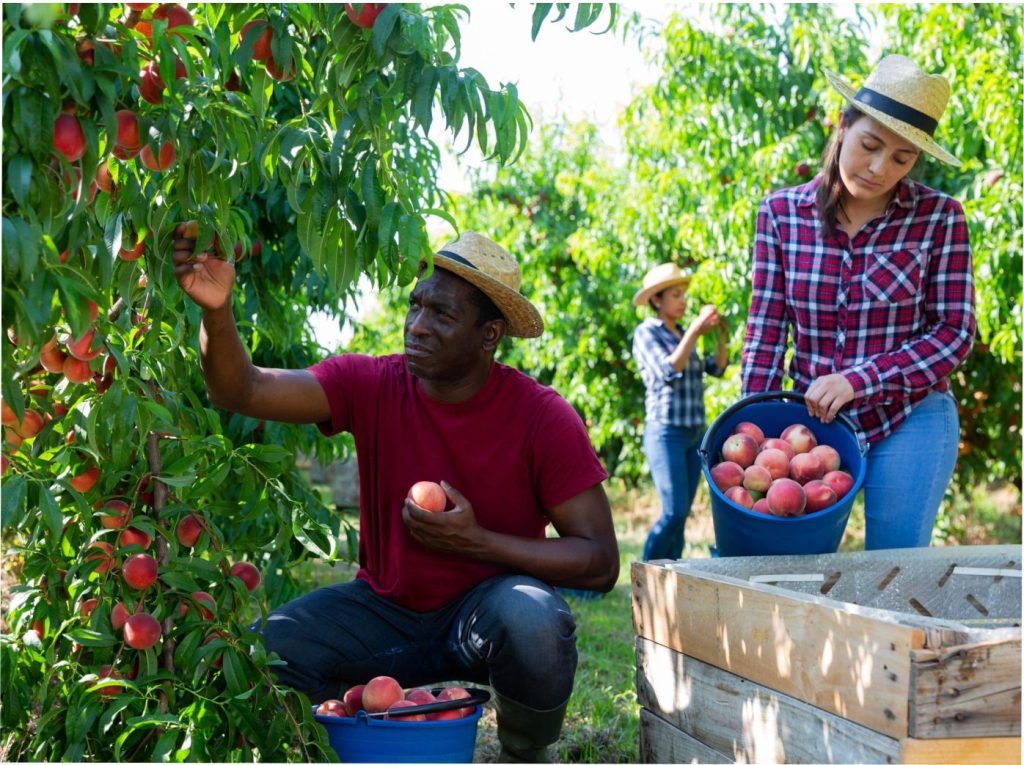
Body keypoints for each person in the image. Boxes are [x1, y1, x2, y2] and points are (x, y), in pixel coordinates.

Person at [172, 229, 620, 762]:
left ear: (489, 335)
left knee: (535, 620)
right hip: (383, 612)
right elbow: (239, 389)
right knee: (259, 651)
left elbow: (599, 562)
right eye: (415, 306)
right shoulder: (371, 382)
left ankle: (522, 752)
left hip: (487, 615)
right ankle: (342, 740)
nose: (417, 326)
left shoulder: (542, 417)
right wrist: (217, 312)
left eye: (443, 316)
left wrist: (477, 543)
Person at [741, 54, 976, 549]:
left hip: (910, 415)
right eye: (869, 145)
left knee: (893, 569)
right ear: (842, 125)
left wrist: (859, 380)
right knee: (786, 564)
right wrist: (753, 430)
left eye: (902, 158)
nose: (878, 168)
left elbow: (954, 332)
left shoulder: (940, 218)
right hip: (813, 422)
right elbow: (766, 333)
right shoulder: (781, 215)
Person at [631, 263, 727, 561]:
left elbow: (718, 368)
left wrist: (720, 335)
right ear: (657, 300)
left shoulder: (685, 332)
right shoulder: (647, 332)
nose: (683, 301)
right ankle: (646, 573)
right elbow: (669, 369)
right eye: (675, 295)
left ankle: (669, 573)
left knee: (682, 513)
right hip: (666, 432)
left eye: (684, 294)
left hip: (694, 433)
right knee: (672, 512)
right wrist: (697, 330)